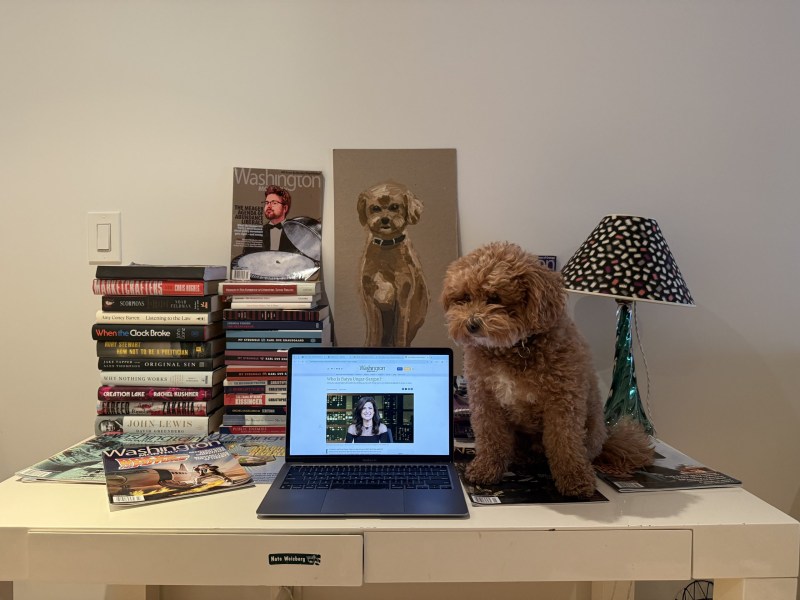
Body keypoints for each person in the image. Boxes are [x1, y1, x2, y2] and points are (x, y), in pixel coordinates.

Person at [262, 185, 299, 253]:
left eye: (274, 203)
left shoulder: (297, 233)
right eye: (267, 203)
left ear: (285, 208)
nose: (269, 206)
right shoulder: (253, 234)